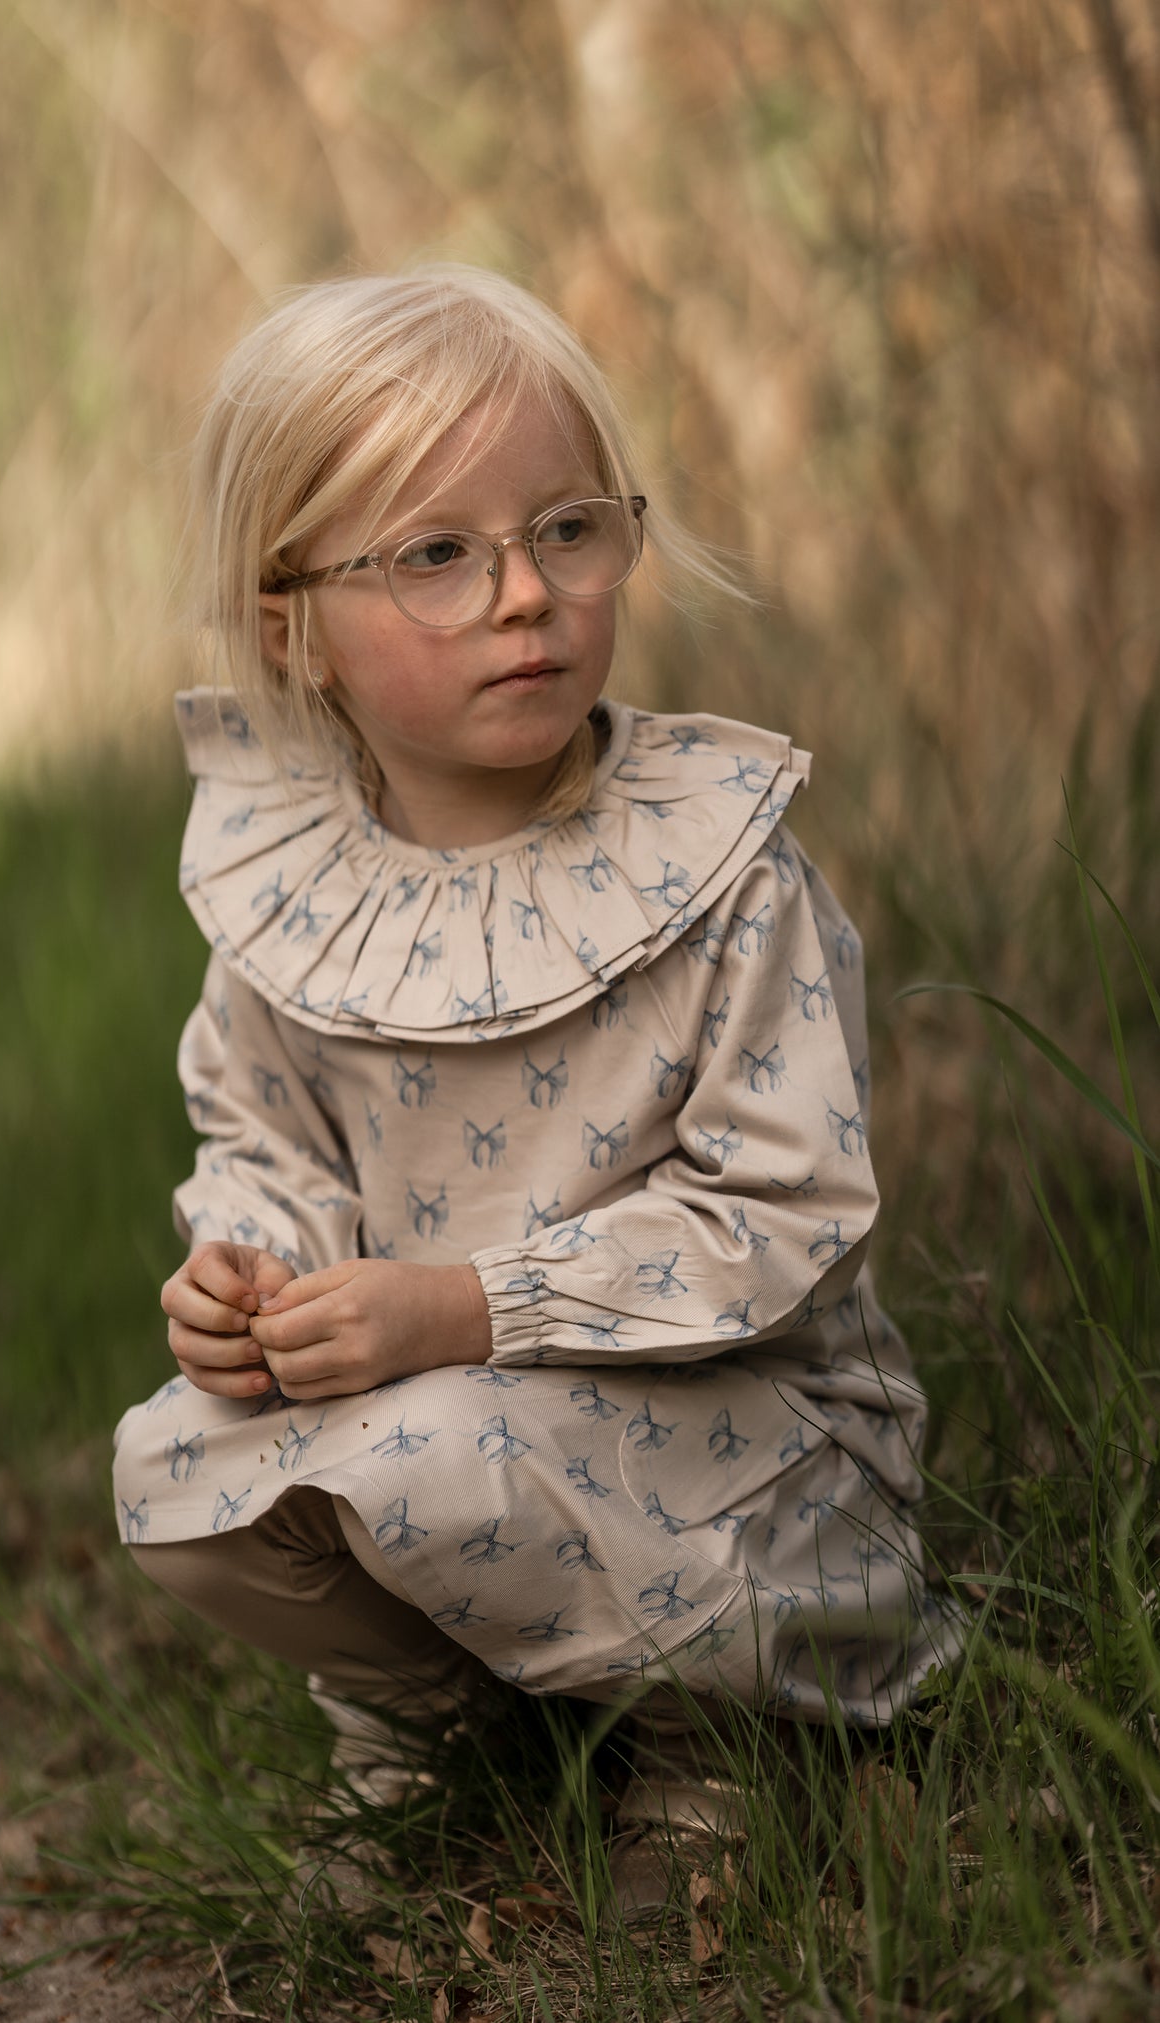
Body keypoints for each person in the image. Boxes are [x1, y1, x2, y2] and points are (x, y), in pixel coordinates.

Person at [112, 264, 954, 1906]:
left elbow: (781, 1213)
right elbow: (265, 1131)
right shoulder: (298, 891)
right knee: (171, 1469)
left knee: (429, 1453)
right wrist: (249, 1270)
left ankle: (714, 1733)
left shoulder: (716, 873)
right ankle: (448, 1714)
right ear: (292, 624)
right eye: (435, 553)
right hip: (443, 1425)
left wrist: (464, 1307)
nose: (525, 594)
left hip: (731, 1452)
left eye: (568, 528)